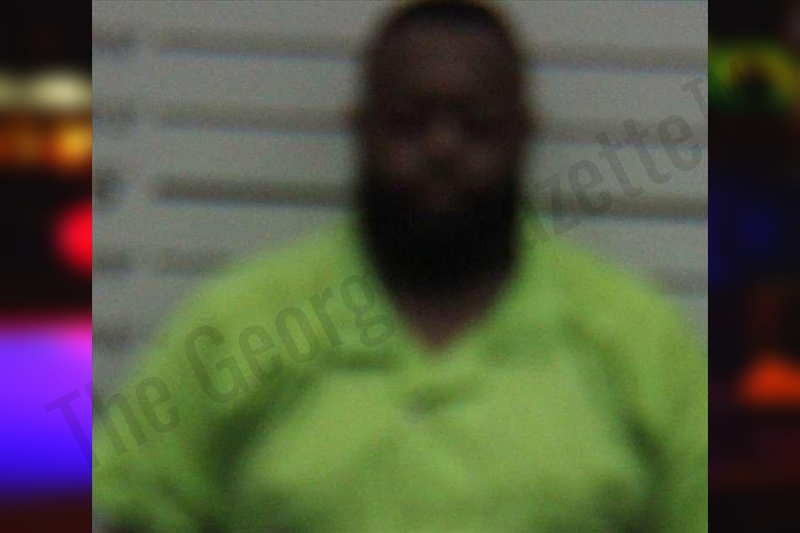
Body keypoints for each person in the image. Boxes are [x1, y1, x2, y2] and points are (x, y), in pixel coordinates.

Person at [92, 1, 707, 531]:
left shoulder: (636, 340)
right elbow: (141, 509)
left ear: (524, 133)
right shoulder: (242, 325)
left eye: (476, 124)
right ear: (361, 130)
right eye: (410, 122)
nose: (442, 148)